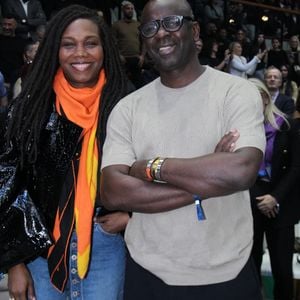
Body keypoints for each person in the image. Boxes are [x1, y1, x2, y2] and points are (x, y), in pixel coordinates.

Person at [100, 0, 266, 299]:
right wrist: (206, 180)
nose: (161, 33)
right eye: (150, 27)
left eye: (172, 22)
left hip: (228, 271)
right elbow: (113, 192)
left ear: (196, 30)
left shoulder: (236, 92)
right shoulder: (128, 109)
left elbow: (241, 170)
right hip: (147, 274)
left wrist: (148, 167)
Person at [2, 5, 129, 300]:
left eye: (91, 43)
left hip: (105, 244)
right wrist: (14, 262)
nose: (80, 54)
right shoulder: (29, 108)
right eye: (68, 45)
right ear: (54, 51)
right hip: (39, 249)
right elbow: (7, 182)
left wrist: (132, 216)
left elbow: (146, 169)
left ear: (105, 48)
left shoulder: (126, 103)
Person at [248, 78, 300, 300]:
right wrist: (260, 198)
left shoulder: (288, 125)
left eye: (253, 98)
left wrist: (275, 198)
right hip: (251, 202)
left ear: (265, 98)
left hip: (282, 204)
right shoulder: (239, 131)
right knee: (250, 266)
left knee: (282, 270)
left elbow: (297, 167)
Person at [112, 1, 145, 88]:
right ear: (123, 10)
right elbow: (113, 42)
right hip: (123, 60)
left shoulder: (138, 24)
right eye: (127, 8)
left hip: (136, 59)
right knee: (123, 86)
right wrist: (118, 55)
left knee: (138, 86)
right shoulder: (117, 25)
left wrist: (142, 56)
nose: (130, 10)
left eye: (131, 9)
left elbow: (144, 41)